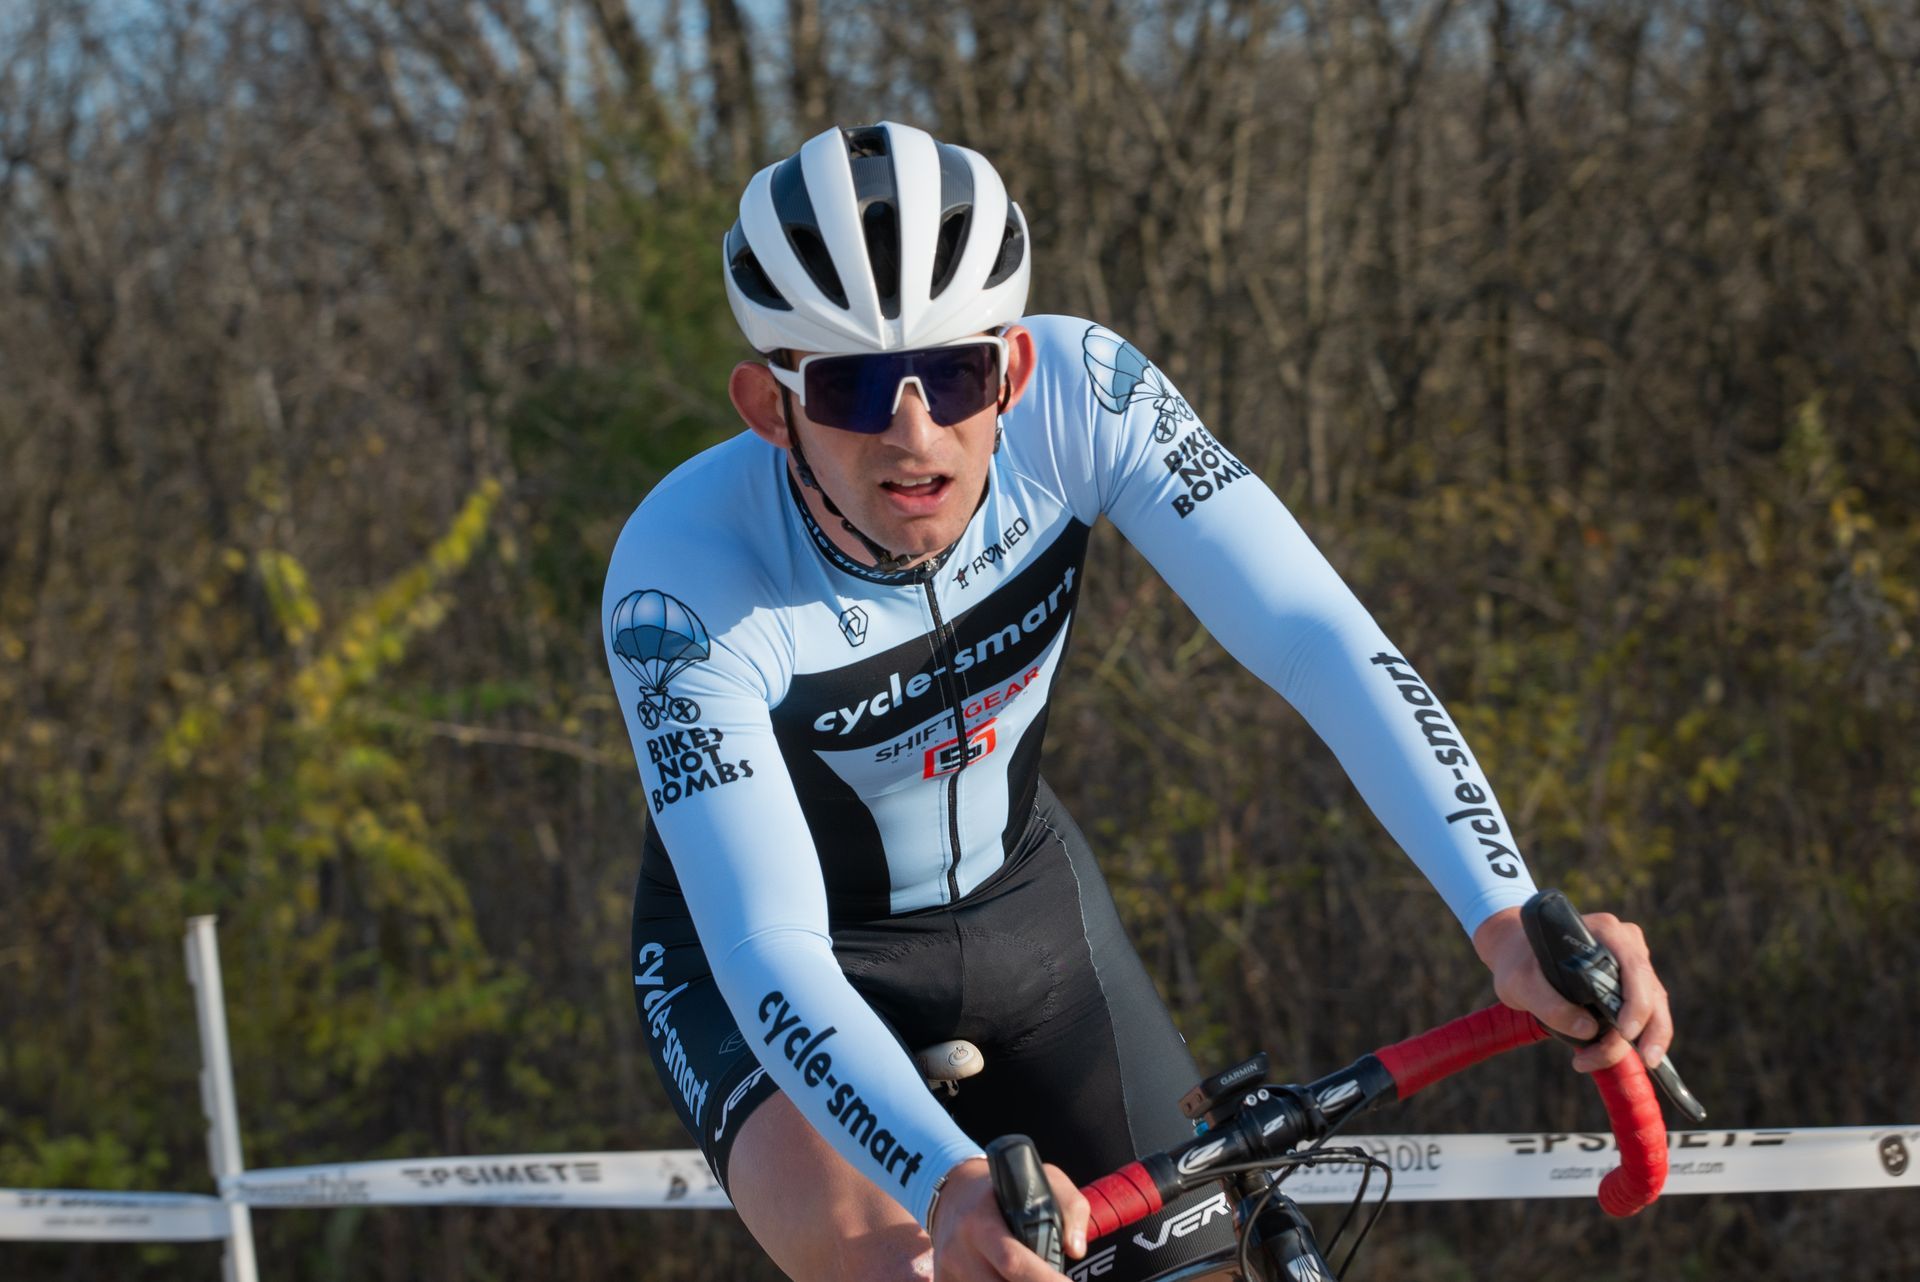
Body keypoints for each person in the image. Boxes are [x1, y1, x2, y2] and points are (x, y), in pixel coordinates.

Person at [603, 121, 1674, 1282]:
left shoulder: (1086, 399)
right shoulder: (683, 579)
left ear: (1013, 370)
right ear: (770, 405)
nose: (915, 436)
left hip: (1023, 914)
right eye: (854, 387)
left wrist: (1506, 914)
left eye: (956, 375)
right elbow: (769, 946)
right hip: (760, 969)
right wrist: (945, 1183)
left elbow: (1320, 639)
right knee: (904, 1267)